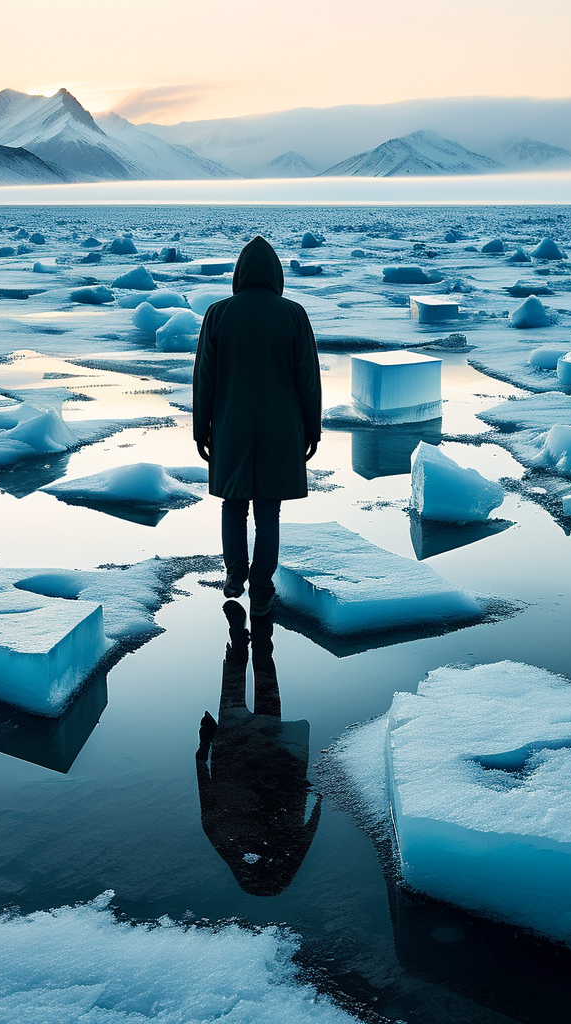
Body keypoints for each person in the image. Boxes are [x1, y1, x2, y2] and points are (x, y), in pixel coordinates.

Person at [193, 235, 321, 617]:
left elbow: (204, 378)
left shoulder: (218, 313)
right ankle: (261, 588)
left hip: (230, 426)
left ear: (239, 273)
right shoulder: (294, 313)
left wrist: (202, 429)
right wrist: (312, 430)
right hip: (282, 429)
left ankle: (235, 575)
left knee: (233, 505)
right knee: (269, 513)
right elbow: (308, 379)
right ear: (276, 274)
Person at [195, 601, 321, 896]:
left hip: (256, 755)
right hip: (254, 756)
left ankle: (248, 637)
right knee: (239, 693)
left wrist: (204, 748)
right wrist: (203, 749)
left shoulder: (227, 841)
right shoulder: (224, 842)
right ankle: (248, 637)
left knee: (256, 691)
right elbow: (207, 804)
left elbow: (313, 820)